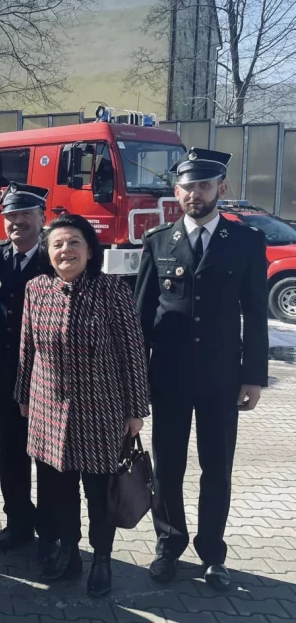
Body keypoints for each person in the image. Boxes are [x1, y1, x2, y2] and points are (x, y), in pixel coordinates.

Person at [135, 148, 268, 591]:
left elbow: (255, 313)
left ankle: (213, 553)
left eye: (204, 185)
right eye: (188, 186)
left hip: (220, 377)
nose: (196, 193)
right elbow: (141, 316)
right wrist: (136, 379)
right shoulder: (158, 241)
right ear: (177, 192)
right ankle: (168, 546)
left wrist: (253, 376)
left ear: (220, 189)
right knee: (167, 467)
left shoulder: (245, 240)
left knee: (217, 468)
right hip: (168, 377)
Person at [15, 214, 149, 597]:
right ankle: (69, 552)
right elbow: (27, 349)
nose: (66, 250)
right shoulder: (36, 289)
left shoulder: (112, 291)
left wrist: (135, 410)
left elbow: (133, 353)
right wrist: (23, 396)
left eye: (74, 242)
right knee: (59, 492)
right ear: (47, 253)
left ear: (90, 250)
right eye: (57, 244)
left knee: (99, 493)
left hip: (100, 412)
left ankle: (102, 560)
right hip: (48, 411)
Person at [0, 183, 55, 560]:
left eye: (26, 214)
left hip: (50, 380)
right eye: (10, 215)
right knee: (11, 452)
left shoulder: (55, 258)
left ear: (43, 218)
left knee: (51, 459)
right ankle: (18, 523)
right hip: (5, 376)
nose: (17, 222)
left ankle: (54, 531)